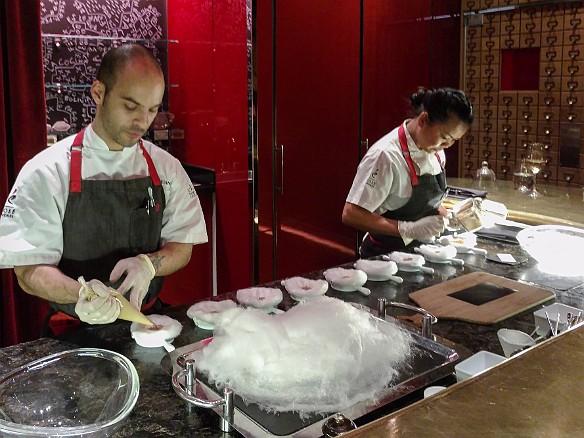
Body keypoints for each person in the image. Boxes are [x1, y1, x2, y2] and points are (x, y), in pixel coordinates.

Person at [0, 44, 208, 327]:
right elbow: (28, 269)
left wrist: (148, 264)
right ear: (98, 93)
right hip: (72, 331)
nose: (142, 121)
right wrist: (82, 295)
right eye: (130, 106)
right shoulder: (47, 171)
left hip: (146, 323)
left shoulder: (166, 167)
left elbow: (183, 244)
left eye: (152, 110)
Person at [342, 87, 473, 259]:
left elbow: (424, 202)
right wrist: (408, 229)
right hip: (383, 256)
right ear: (424, 120)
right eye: (444, 137)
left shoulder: (436, 150)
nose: (447, 146)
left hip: (421, 252)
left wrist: (448, 217)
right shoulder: (386, 156)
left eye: (453, 140)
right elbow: (351, 214)